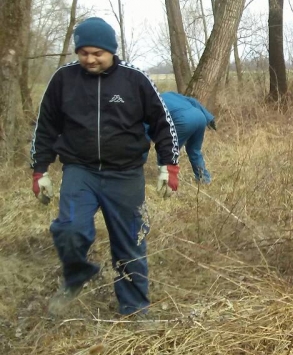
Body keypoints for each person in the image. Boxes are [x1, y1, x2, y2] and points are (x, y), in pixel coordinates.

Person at [30, 17, 181, 317]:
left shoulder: (134, 79)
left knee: (130, 242)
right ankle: (76, 276)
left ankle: (135, 307)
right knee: (70, 229)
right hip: (79, 170)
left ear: (111, 50)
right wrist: (39, 170)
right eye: (84, 52)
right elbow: (45, 126)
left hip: (125, 174)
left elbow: (163, 122)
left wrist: (169, 165)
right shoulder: (63, 80)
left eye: (97, 53)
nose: (90, 59)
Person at [147, 91, 215, 184]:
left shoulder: (148, 105)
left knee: (165, 149)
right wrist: (209, 118)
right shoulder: (170, 94)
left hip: (183, 121)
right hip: (200, 117)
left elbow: (144, 133)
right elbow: (193, 101)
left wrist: (138, 159)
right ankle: (204, 179)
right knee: (194, 150)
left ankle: (167, 182)